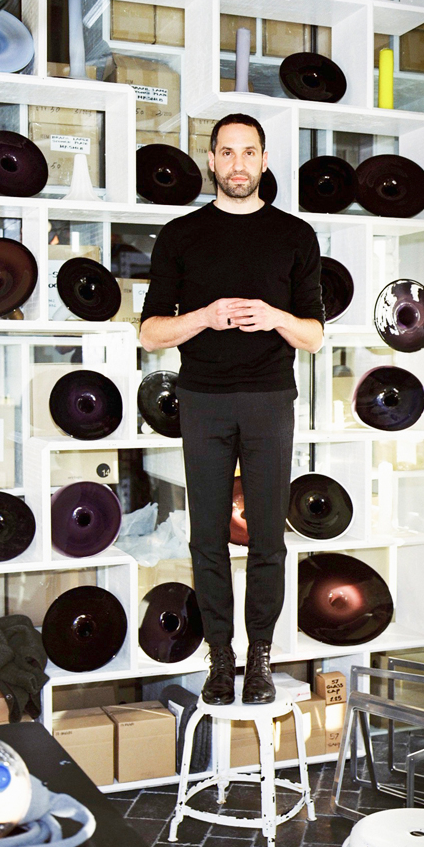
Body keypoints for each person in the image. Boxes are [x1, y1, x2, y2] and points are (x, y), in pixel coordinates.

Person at [139, 113, 325, 705]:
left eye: (249, 152)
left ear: (264, 161)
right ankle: (221, 659)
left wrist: (275, 317)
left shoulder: (295, 235)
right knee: (207, 538)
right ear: (212, 161)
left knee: (269, 537)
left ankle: (260, 657)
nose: (238, 164)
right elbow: (149, 332)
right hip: (203, 401)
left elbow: (314, 336)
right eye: (227, 152)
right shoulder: (181, 235)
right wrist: (204, 316)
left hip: (270, 400)